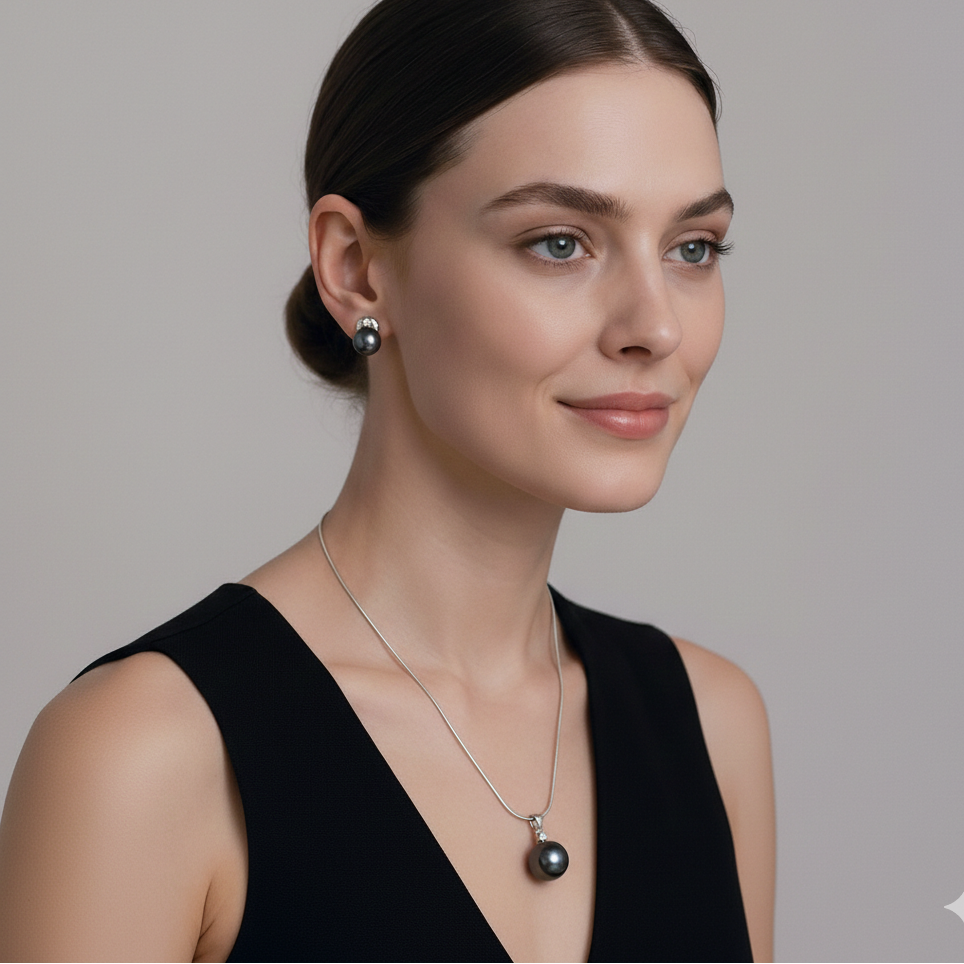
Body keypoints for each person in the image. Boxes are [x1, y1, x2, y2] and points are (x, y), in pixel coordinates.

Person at [0, 0, 775, 960]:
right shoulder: (143, 756)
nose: (654, 326)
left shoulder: (709, 723)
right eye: (560, 242)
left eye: (692, 248)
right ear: (356, 266)